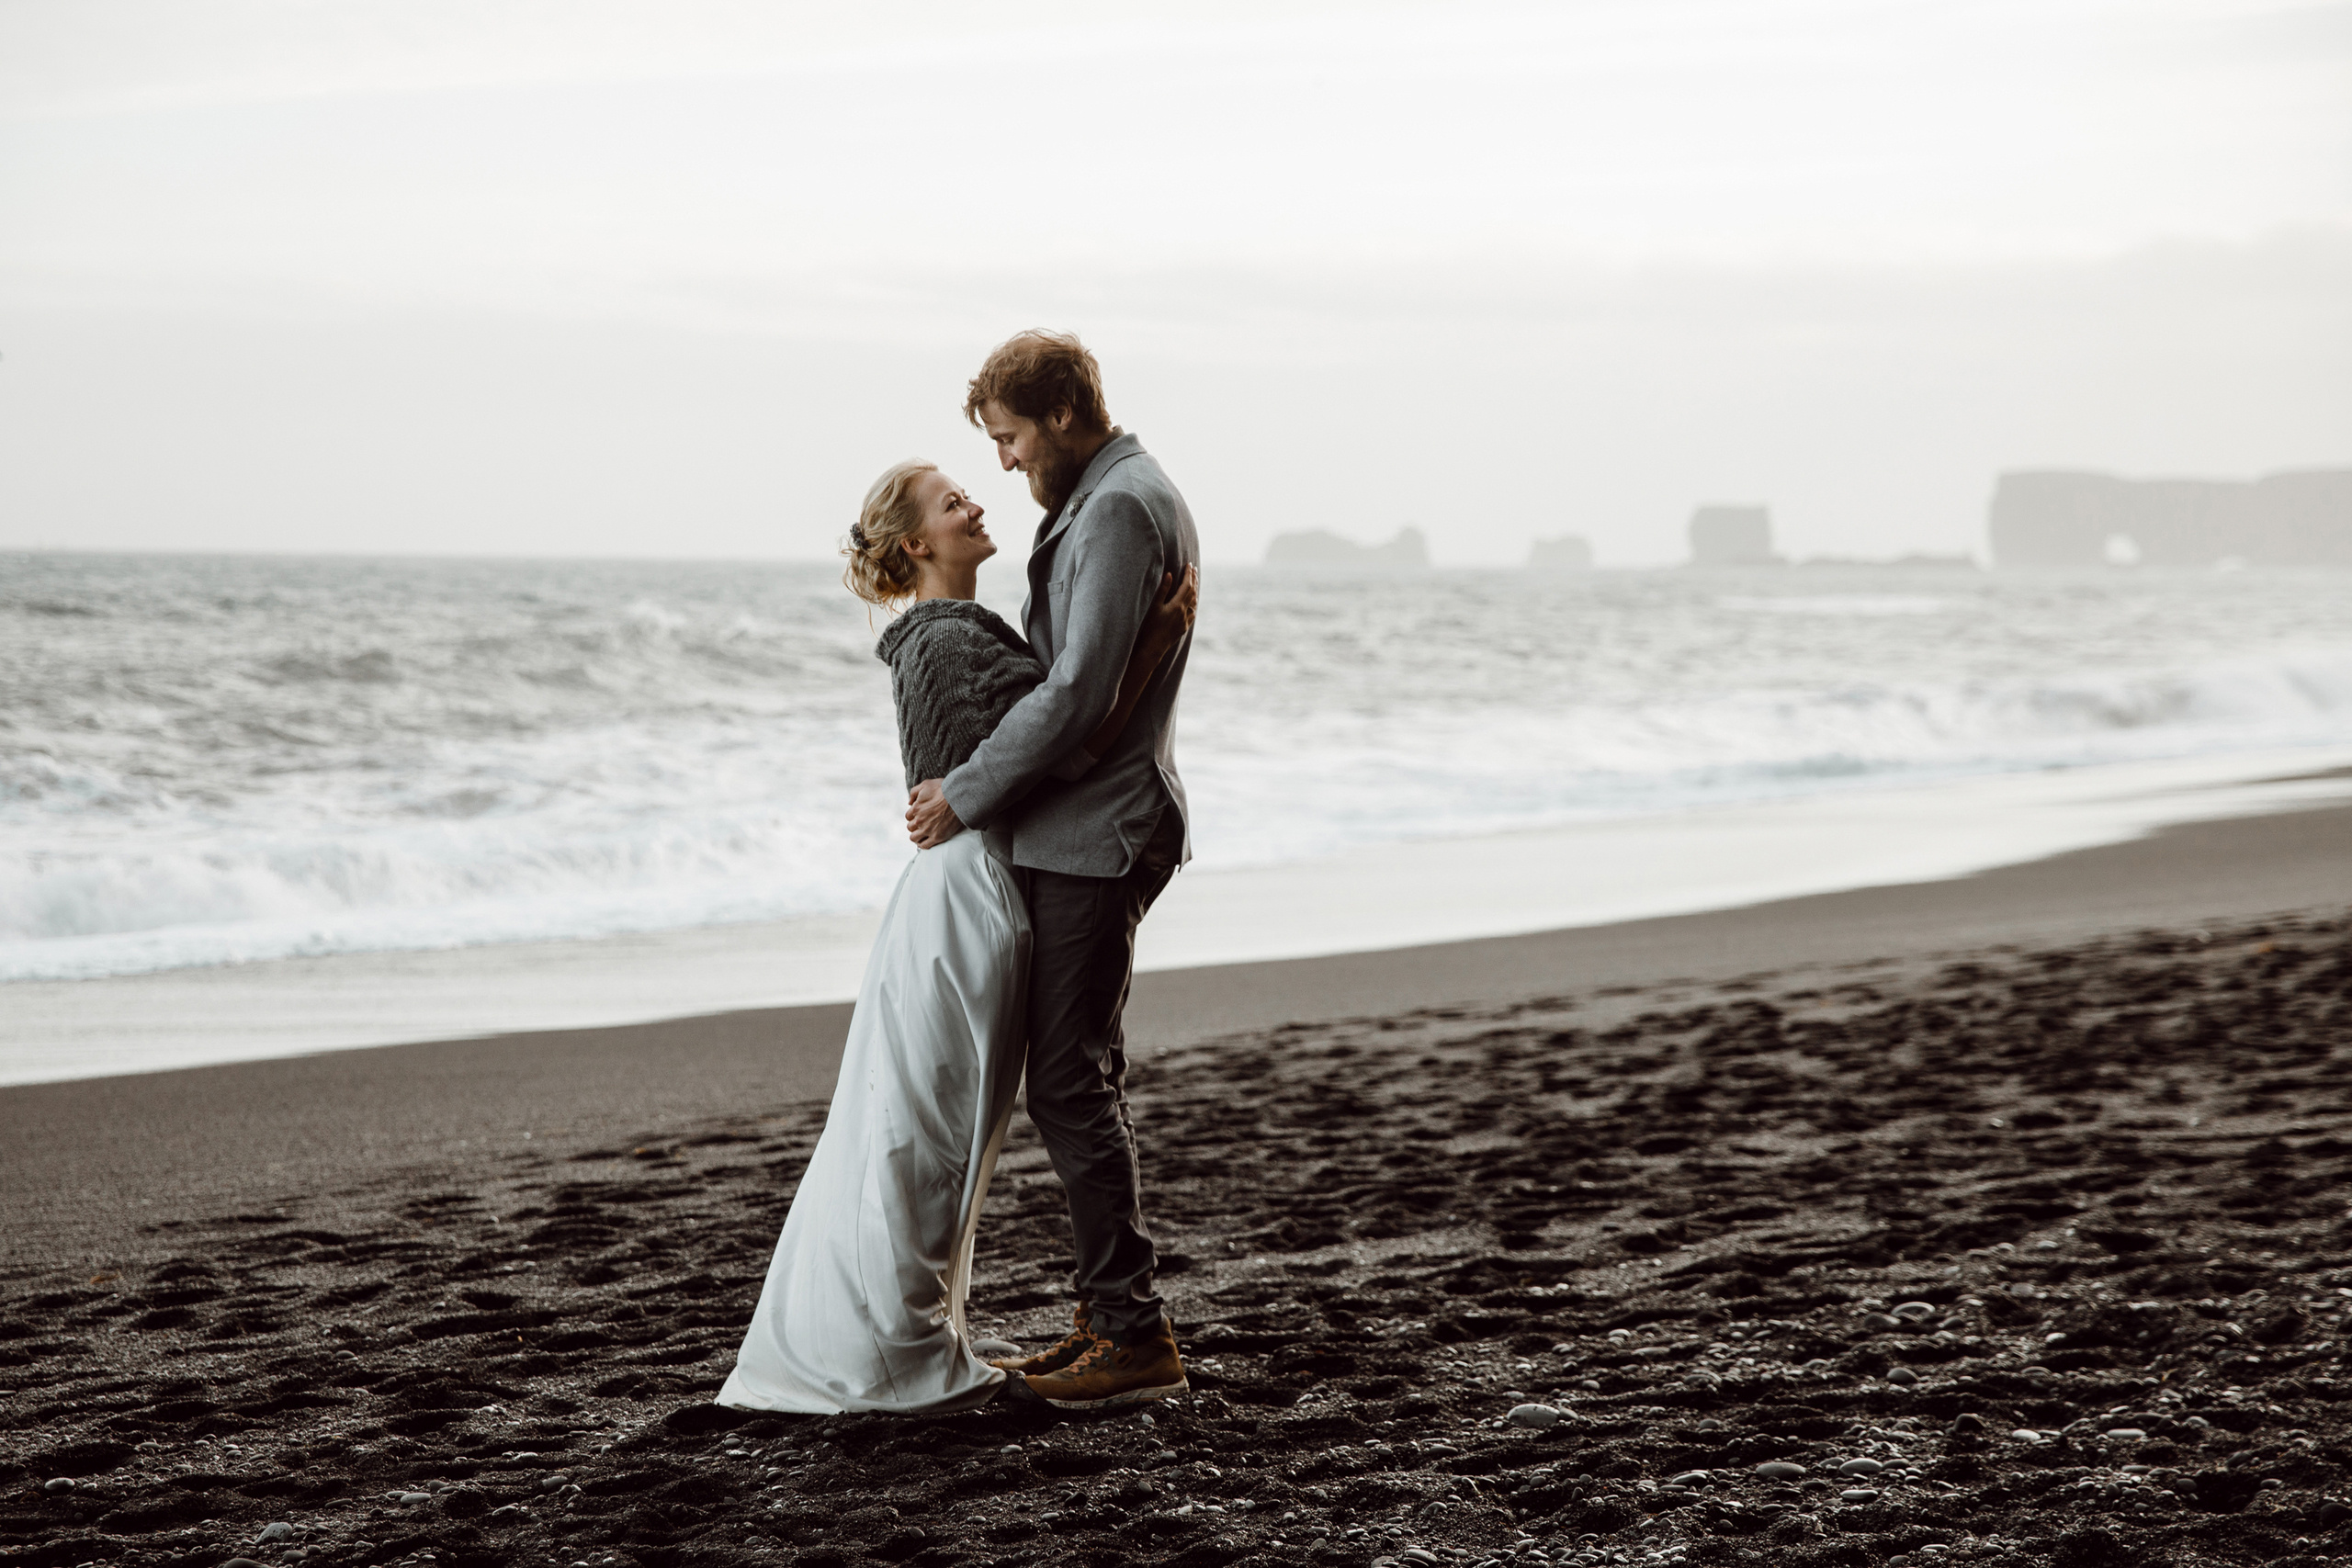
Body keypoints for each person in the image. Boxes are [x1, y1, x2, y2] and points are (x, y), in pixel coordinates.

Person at [716, 457, 1195, 1416]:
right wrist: (1153, 643)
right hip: (966, 901)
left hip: (967, 894)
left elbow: (1043, 735)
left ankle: (925, 1330)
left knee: (936, 1126)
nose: (975, 500)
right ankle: (899, 1341)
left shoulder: (956, 633)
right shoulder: (944, 645)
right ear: (914, 546)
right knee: (926, 1130)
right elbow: (1066, 741)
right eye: (951, 502)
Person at [904, 330, 1201, 1410]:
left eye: (1012, 438)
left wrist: (963, 792)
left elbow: (1076, 693)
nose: (1005, 464)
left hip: (1098, 829)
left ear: (1065, 414)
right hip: (1083, 823)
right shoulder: (1104, 499)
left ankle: (1131, 1332)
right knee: (1073, 1076)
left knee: (1072, 1081)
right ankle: (1107, 1321)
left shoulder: (1118, 505)